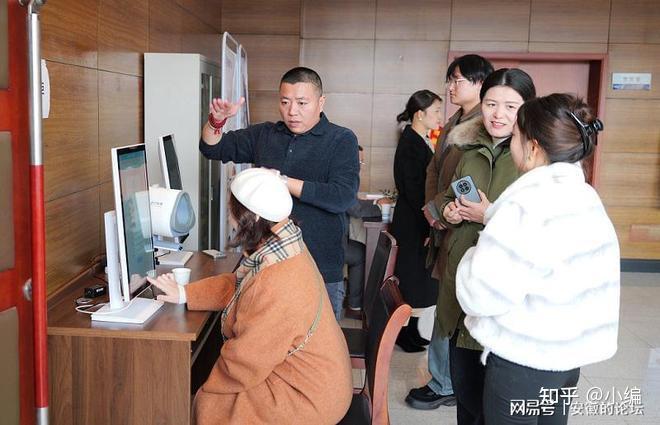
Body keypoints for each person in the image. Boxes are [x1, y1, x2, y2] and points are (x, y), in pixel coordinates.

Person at [456, 94, 619, 425]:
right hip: (565, 360)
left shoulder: (526, 204)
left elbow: (480, 295)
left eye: (515, 136)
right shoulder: (586, 196)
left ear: (532, 148)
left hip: (523, 363)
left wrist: (472, 255)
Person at [148, 168, 353, 425]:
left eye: (232, 211)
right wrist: (185, 293)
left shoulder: (277, 279)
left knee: (209, 405)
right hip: (317, 379)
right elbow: (239, 284)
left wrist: (205, 390)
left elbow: (245, 363)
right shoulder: (284, 243)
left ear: (253, 216)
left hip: (307, 398)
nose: (230, 219)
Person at [199, 67, 360, 321]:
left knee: (314, 342)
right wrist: (215, 122)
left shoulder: (341, 139)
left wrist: (282, 181)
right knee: (264, 337)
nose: (292, 111)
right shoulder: (266, 134)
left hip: (320, 269)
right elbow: (213, 148)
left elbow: (342, 196)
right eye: (285, 102)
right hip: (267, 267)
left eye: (302, 103)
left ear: (321, 102)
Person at [438, 68, 536, 425]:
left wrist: (488, 215)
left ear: (528, 109)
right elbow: (448, 194)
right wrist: (449, 211)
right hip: (461, 282)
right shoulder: (468, 146)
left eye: (511, 106)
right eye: (491, 104)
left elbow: (537, 228)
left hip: (500, 295)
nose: (498, 114)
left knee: (492, 405)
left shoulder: (534, 159)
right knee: (465, 395)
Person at [407, 54, 494, 410]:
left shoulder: (483, 124)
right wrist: (436, 212)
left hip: (467, 225)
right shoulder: (456, 120)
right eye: (451, 79)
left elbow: (470, 180)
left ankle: (446, 381)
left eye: (458, 80)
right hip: (446, 218)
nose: (450, 86)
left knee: (454, 306)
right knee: (446, 303)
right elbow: (434, 170)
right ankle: (444, 378)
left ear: (480, 83)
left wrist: (446, 212)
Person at [389, 89, 443, 353]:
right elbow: (413, 189)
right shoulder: (410, 142)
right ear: (420, 114)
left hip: (415, 217)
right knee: (410, 279)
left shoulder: (419, 138)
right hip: (413, 220)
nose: (440, 117)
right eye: (436, 111)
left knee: (416, 279)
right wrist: (428, 221)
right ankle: (402, 333)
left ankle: (410, 331)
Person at [344, 145, 385, 319]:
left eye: (362, 162)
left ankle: (354, 302)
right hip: (329, 242)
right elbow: (355, 209)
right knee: (361, 254)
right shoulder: (344, 177)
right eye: (358, 161)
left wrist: (375, 204)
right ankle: (354, 306)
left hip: (331, 237)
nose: (360, 166)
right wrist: (378, 207)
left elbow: (353, 203)